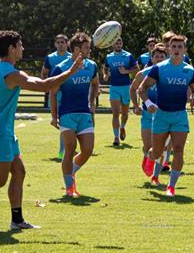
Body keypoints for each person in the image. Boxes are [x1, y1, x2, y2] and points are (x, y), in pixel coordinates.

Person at [0, 30, 84, 232]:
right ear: (11, 49)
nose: (23, 49)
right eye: (20, 45)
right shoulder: (10, 74)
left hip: (4, 132)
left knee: (19, 172)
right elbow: (45, 85)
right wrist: (70, 72)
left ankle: (16, 220)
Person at [139, 35, 194, 197]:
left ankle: (171, 186)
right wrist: (149, 104)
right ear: (169, 49)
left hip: (180, 116)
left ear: (185, 50)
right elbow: (142, 88)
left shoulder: (189, 70)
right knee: (158, 153)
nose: (177, 50)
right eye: (174, 47)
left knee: (178, 149)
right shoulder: (159, 68)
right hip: (161, 116)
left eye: (180, 47)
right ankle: (149, 156)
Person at [49, 32, 99, 197]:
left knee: (87, 150)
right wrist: (53, 115)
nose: (89, 50)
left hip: (84, 113)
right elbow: (53, 92)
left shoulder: (91, 66)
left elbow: (95, 83)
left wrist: (92, 103)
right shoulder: (61, 68)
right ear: (77, 49)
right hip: (67, 114)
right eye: (86, 47)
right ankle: (70, 188)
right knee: (70, 148)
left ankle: (70, 172)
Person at [130, 44, 168, 185]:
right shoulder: (143, 74)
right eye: (156, 56)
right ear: (151, 58)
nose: (158, 59)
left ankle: (156, 177)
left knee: (161, 147)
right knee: (148, 146)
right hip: (147, 115)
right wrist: (135, 105)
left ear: (166, 58)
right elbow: (133, 89)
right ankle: (147, 157)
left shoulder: (170, 73)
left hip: (164, 115)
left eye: (162, 57)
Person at [102, 37, 139, 146]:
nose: (118, 44)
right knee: (115, 113)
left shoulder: (128, 56)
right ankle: (116, 137)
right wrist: (105, 75)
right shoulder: (109, 57)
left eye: (120, 42)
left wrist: (126, 71)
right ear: (112, 44)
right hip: (114, 87)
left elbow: (137, 70)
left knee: (125, 113)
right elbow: (105, 68)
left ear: (122, 44)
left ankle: (122, 127)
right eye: (116, 43)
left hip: (126, 88)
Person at [40, 34, 72, 160]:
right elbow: (44, 73)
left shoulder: (72, 58)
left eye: (62, 42)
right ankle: (65, 147)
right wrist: (46, 86)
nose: (60, 44)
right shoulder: (50, 58)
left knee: (65, 121)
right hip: (56, 93)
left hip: (69, 92)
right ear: (55, 44)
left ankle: (63, 149)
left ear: (67, 43)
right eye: (58, 42)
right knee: (59, 122)